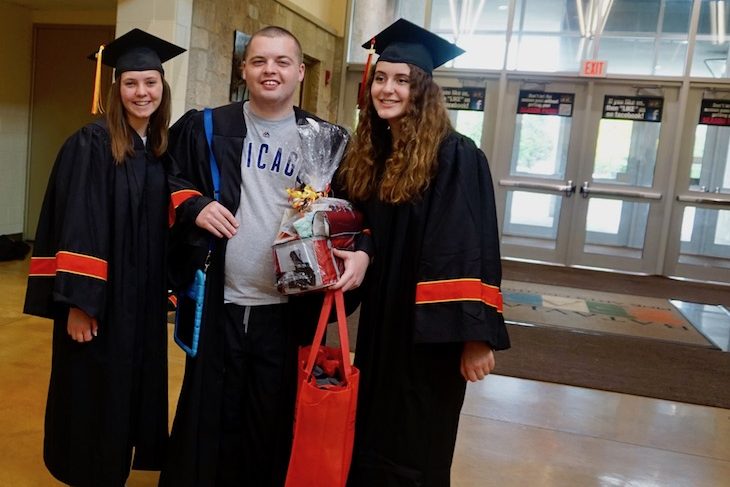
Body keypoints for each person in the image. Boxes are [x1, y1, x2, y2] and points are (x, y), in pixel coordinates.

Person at [159, 25, 369, 487]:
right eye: (259, 61)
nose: (269, 70)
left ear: (299, 72)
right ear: (244, 69)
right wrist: (194, 205)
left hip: (286, 311)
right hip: (220, 303)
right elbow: (164, 176)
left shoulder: (327, 140)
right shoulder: (208, 126)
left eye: (281, 62)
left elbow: (360, 211)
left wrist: (363, 253)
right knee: (210, 414)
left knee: (270, 419)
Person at [336, 18, 511, 487]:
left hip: (431, 332)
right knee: (372, 427)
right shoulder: (370, 153)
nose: (387, 89)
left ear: (424, 90)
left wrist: (475, 336)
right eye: (381, 77)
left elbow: (468, 249)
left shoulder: (455, 156)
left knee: (418, 438)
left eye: (402, 80)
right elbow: (357, 223)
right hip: (382, 323)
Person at [23, 29, 189, 487]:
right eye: (132, 83)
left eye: (151, 83)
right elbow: (78, 223)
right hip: (99, 304)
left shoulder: (154, 150)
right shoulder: (91, 144)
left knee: (125, 393)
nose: (142, 92)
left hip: (137, 303)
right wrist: (77, 303)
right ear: (115, 88)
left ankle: (112, 470)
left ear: (162, 87)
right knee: (94, 394)